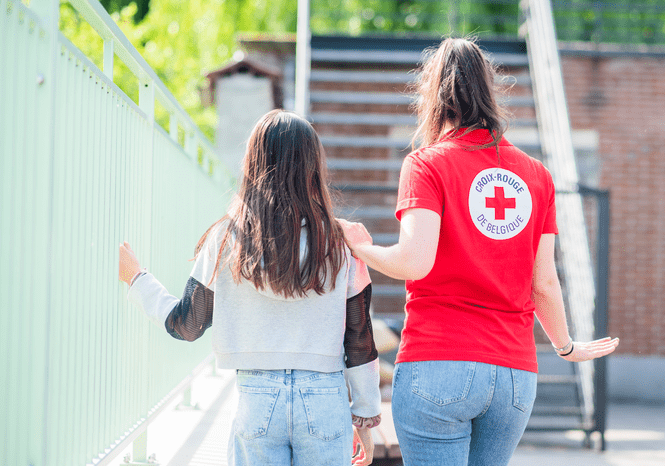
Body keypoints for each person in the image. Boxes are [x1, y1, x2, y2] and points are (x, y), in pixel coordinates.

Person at [339, 38, 619, 466]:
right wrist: (564, 346)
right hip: (514, 374)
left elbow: (415, 261)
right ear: (489, 92)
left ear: (433, 95)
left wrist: (363, 248)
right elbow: (543, 283)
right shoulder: (536, 176)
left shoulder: (427, 164)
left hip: (439, 361)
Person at [118, 109, 381, 466]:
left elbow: (188, 323)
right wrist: (365, 416)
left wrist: (137, 280)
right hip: (324, 395)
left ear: (253, 164)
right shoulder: (341, 241)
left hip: (257, 397)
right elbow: (359, 335)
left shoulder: (228, 239)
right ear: (313, 168)